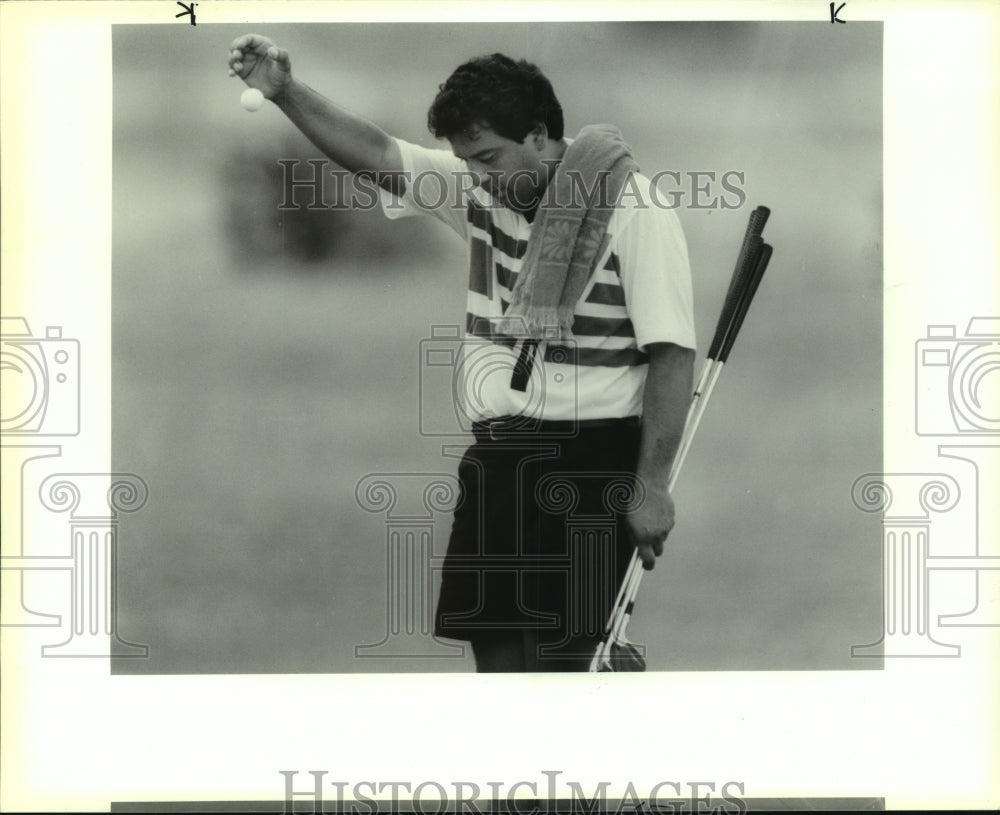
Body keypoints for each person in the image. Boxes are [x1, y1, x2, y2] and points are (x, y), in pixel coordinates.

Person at [227, 36, 696, 672]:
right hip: (499, 460)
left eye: (488, 158)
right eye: (465, 162)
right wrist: (285, 92)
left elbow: (670, 352)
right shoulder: (482, 191)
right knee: (499, 665)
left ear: (537, 135)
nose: (477, 178)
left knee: (568, 672)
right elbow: (375, 153)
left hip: (594, 465)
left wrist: (652, 486)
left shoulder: (635, 207)